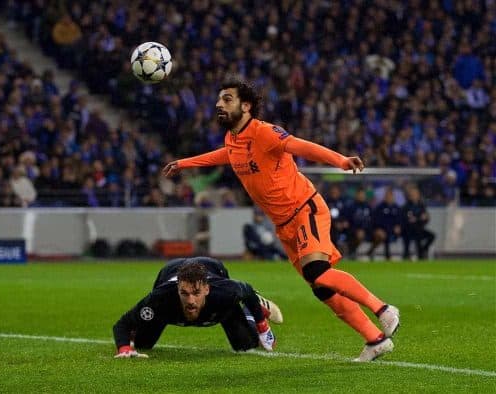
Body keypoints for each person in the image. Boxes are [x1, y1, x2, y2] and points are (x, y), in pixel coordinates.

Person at [163, 78, 399, 361]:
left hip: (305, 209)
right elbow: (226, 155)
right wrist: (184, 164)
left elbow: (301, 146)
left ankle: (383, 309)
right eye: (219, 99)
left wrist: (340, 161)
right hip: (284, 225)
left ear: (246, 106)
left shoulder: (265, 133)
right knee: (322, 289)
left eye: (227, 99)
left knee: (317, 271)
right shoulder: (233, 139)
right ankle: (375, 339)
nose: (218, 104)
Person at [113, 257, 283, 358]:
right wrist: (124, 349)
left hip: (213, 268)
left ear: (207, 289)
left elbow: (246, 289)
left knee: (247, 346)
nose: (191, 301)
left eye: (196, 293)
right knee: (142, 344)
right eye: (185, 293)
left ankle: (252, 308)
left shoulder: (223, 292)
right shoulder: (160, 298)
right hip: (170, 270)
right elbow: (122, 324)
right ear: (177, 289)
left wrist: (262, 326)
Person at [367, 188, 402, 260]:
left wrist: (399, 226)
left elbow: (401, 220)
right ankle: (385, 255)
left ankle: (405, 254)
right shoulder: (380, 208)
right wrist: (378, 228)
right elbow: (375, 220)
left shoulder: (397, 208)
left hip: (392, 231)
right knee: (382, 235)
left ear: (393, 197)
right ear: (385, 197)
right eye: (387, 196)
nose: (389, 198)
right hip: (381, 230)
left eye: (390, 196)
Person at [402, 185, 435, 260]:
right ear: (410, 195)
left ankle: (423, 250)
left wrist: (422, 218)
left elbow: (425, 218)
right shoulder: (406, 206)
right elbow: (408, 219)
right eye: (412, 194)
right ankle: (411, 254)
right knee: (416, 233)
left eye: (416, 194)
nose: (414, 195)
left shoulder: (421, 205)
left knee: (432, 236)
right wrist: (419, 218)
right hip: (408, 230)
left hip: (419, 228)